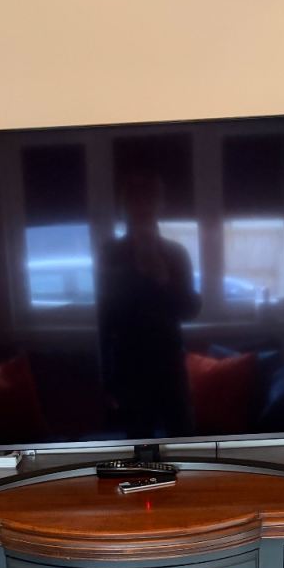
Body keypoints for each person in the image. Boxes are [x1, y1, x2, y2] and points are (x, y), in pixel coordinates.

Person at [98, 172, 200, 438]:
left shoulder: (176, 254)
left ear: (159, 205)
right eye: (135, 202)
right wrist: (107, 376)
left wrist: (164, 279)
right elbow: (105, 317)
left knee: (184, 442)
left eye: (149, 201)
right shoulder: (110, 254)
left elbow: (190, 310)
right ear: (125, 208)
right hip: (129, 367)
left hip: (169, 363)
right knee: (140, 449)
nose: (142, 208)